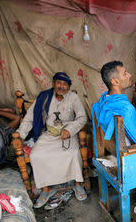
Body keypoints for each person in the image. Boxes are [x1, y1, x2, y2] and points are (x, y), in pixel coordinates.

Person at [16, 72, 88, 208]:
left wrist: (70, 130)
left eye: (65, 84)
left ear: (68, 86)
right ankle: (46, 189)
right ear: (53, 83)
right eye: (58, 83)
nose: (61, 86)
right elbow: (30, 117)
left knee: (73, 153)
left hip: (67, 134)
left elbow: (82, 117)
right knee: (36, 155)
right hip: (48, 134)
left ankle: (78, 184)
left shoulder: (73, 97)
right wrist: (20, 134)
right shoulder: (44, 97)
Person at [93, 61, 136, 145]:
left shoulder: (104, 101)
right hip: (134, 152)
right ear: (115, 81)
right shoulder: (126, 109)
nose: (130, 75)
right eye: (125, 74)